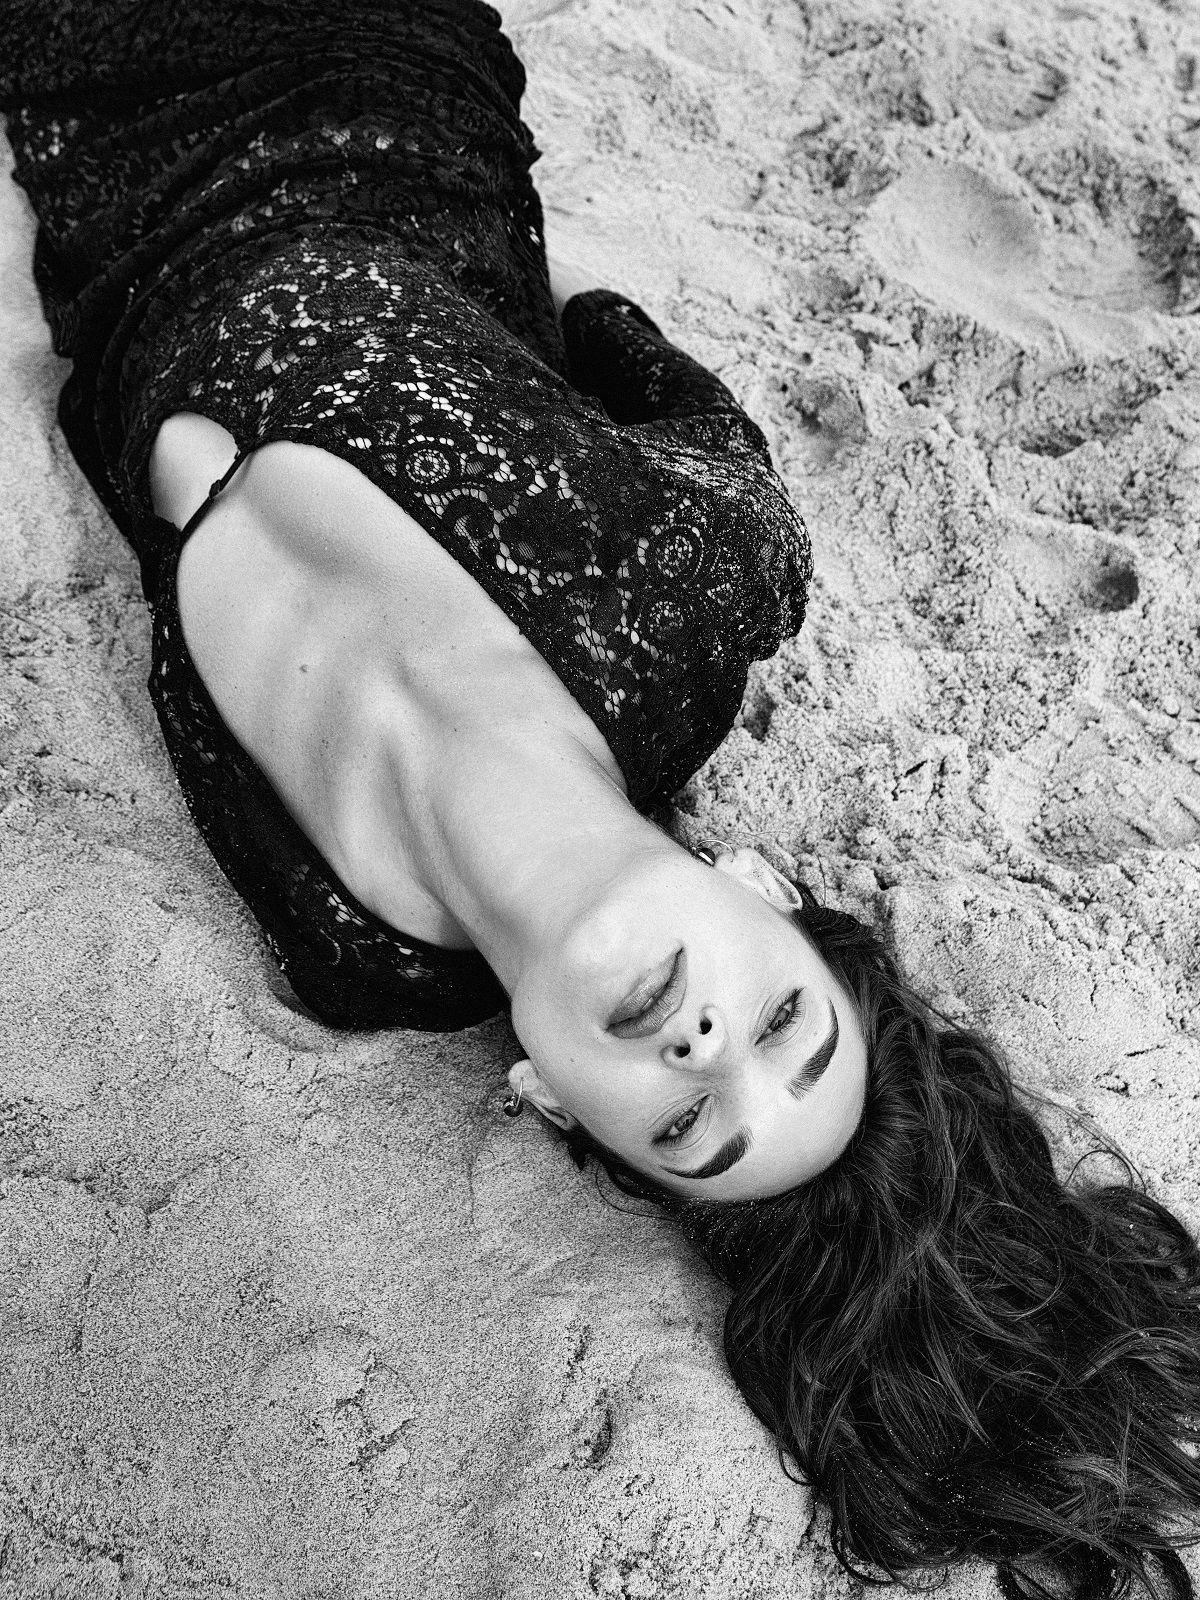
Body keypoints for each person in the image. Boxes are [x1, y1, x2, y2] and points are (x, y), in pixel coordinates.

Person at [1, 3, 1197, 1597]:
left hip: (82, 175)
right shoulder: (686, 586)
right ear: (766, 892)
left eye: (693, 1125)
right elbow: (613, 329)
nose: (707, 1048)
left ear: (553, 1102)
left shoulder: (348, 953)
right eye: (783, 1023)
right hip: (352, 70)